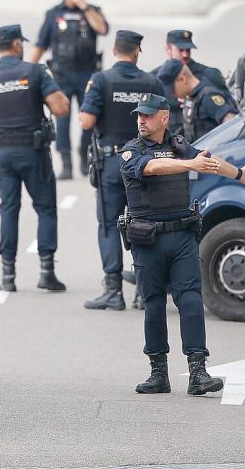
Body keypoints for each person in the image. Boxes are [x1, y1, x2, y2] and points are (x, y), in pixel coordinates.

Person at [119, 93, 245, 395]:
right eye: (139, 115)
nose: (140, 120)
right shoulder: (132, 151)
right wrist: (189, 164)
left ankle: (198, 371)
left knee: (190, 301)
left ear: (164, 118)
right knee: (155, 306)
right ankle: (158, 372)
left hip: (182, 236)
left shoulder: (178, 145)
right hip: (149, 240)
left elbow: (207, 161)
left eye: (147, 115)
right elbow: (153, 169)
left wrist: (239, 174)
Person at [0, 24, 71, 293]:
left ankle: (8, 275)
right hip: (33, 152)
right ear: (16, 45)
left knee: (8, 210)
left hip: (2, 153)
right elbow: (61, 108)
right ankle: (46, 272)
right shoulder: (35, 72)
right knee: (45, 208)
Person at [80, 30, 163, 311]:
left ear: (114, 51)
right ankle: (143, 289)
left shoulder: (101, 80)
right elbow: (164, 122)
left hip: (113, 163)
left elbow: (86, 121)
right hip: (145, 162)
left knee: (109, 224)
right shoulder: (152, 81)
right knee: (144, 223)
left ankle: (113, 290)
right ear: (137, 51)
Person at [29, 0, 109, 180]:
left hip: (87, 74)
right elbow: (40, 43)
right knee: (62, 119)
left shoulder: (92, 12)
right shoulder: (54, 14)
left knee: (88, 118)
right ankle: (65, 162)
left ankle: (84, 154)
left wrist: (85, 7)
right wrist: (27, 71)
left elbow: (102, 29)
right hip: (62, 74)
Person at [152, 30, 232, 134]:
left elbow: (229, 109)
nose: (185, 54)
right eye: (180, 50)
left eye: (188, 49)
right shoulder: (156, 78)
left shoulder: (209, 74)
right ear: (168, 49)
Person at [156, 59, 237, 143]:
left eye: (172, 90)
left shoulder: (208, 96)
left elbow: (232, 124)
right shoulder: (192, 98)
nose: (172, 94)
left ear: (182, 79)